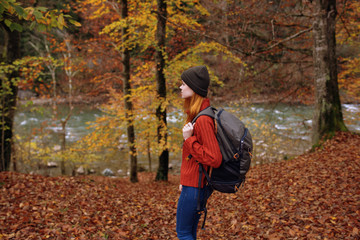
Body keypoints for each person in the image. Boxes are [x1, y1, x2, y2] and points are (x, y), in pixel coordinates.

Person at [176, 65, 222, 239]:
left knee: (184, 233)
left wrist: (189, 140)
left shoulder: (203, 119)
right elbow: (192, 158)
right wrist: (184, 181)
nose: (180, 87)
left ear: (194, 88)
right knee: (189, 232)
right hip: (193, 184)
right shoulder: (197, 115)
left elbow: (214, 158)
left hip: (196, 187)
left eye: (183, 84)